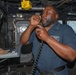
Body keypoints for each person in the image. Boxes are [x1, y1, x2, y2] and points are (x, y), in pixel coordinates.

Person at [20, 5, 76, 75]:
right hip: (38, 72)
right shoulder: (37, 29)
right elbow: (23, 41)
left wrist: (47, 38)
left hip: (57, 73)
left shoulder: (65, 29)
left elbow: (72, 56)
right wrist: (31, 26)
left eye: (48, 12)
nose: (43, 15)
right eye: (43, 13)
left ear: (56, 16)